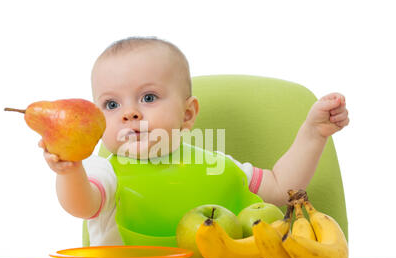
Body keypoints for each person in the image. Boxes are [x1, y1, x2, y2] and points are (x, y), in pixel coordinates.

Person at [38, 36, 349, 246]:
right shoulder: (102, 173)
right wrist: (69, 171)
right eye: (111, 105)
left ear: (188, 114)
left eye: (148, 97)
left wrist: (313, 133)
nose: (129, 113)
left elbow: (282, 188)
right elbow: (82, 205)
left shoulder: (214, 166)